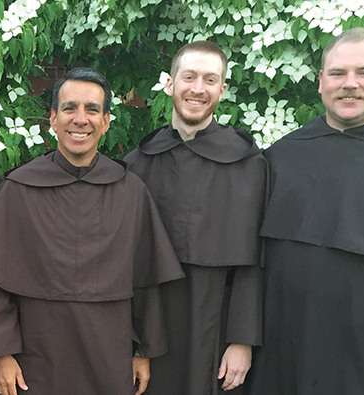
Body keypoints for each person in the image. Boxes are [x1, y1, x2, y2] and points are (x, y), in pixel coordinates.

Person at [0, 67, 185, 395]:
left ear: (106, 121)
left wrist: (143, 350)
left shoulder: (131, 191)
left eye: (92, 109)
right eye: (69, 108)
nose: (81, 119)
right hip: (36, 356)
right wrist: (1, 353)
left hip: (109, 354)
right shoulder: (19, 188)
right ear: (53, 118)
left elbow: (146, 280)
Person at [248, 27, 364, 395]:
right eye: (337, 73)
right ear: (321, 82)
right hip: (286, 346)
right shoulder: (283, 155)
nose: (349, 83)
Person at [123, 41, 266, 394]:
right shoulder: (136, 165)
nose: (198, 89)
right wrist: (133, 344)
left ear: (222, 89)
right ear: (170, 84)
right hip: (151, 326)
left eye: (210, 79)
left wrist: (242, 341)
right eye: (189, 77)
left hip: (216, 327)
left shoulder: (249, 166)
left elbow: (256, 261)